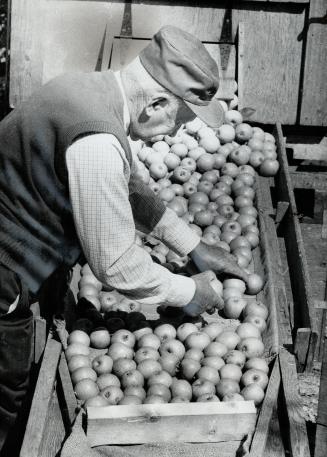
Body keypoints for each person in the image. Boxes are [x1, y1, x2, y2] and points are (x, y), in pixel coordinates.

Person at [0, 25, 248, 451]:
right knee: (7, 398)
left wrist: (191, 245)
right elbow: (114, 264)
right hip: (5, 273)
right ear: (155, 103)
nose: (173, 135)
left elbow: (129, 186)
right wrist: (186, 290)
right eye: (179, 120)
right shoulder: (96, 139)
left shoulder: (88, 88)